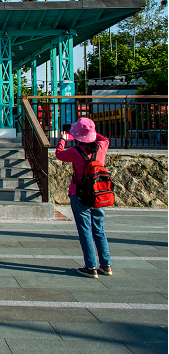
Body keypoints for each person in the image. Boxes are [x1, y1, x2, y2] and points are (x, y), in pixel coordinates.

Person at [56, 117, 112, 278]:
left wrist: (63, 139)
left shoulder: (75, 152)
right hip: (99, 194)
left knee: (85, 230)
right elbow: (104, 138)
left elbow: (59, 154)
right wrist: (90, 132)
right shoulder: (102, 146)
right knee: (99, 229)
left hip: (79, 194)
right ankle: (106, 264)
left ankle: (90, 266)